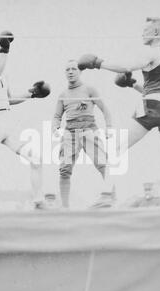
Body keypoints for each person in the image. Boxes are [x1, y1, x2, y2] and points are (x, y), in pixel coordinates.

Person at [77, 17, 160, 206]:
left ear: (156, 33)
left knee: (116, 148)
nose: (142, 33)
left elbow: (125, 67)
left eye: (146, 30)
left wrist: (98, 62)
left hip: (152, 106)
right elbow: (158, 88)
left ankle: (106, 195)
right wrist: (132, 84)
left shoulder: (151, 51)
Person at [0, 31, 51, 210]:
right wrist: (6, 50)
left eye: (1, 47)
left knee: (35, 158)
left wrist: (32, 94)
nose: (0, 50)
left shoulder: (3, 75)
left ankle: (39, 201)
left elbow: (9, 99)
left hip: (6, 122)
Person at [52, 60, 115, 208]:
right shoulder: (62, 94)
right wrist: (55, 127)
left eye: (74, 69)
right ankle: (65, 207)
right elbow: (56, 116)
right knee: (64, 169)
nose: (70, 72)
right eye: (67, 69)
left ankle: (111, 199)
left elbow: (105, 110)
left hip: (89, 128)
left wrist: (109, 128)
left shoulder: (89, 89)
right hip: (70, 131)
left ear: (80, 71)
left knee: (102, 163)